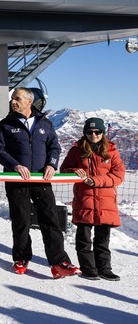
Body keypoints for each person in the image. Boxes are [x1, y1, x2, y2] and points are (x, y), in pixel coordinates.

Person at [0, 88, 80, 279]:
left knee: (50, 219)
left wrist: (51, 165)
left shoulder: (45, 123)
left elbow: (54, 147)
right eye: (12, 99)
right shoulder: (6, 124)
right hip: (17, 180)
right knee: (21, 219)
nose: (13, 102)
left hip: (41, 179)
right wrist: (15, 166)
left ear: (29, 102)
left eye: (17, 98)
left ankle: (59, 262)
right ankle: (21, 258)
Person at [60, 117, 125, 281]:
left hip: (106, 202)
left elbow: (118, 176)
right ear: (85, 133)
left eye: (97, 132)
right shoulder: (76, 151)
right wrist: (74, 171)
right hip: (84, 199)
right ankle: (88, 268)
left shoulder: (111, 152)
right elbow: (63, 169)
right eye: (90, 132)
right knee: (84, 238)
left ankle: (104, 269)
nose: (94, 135)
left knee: (103, 238)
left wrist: (96, 181)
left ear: (103, 133)